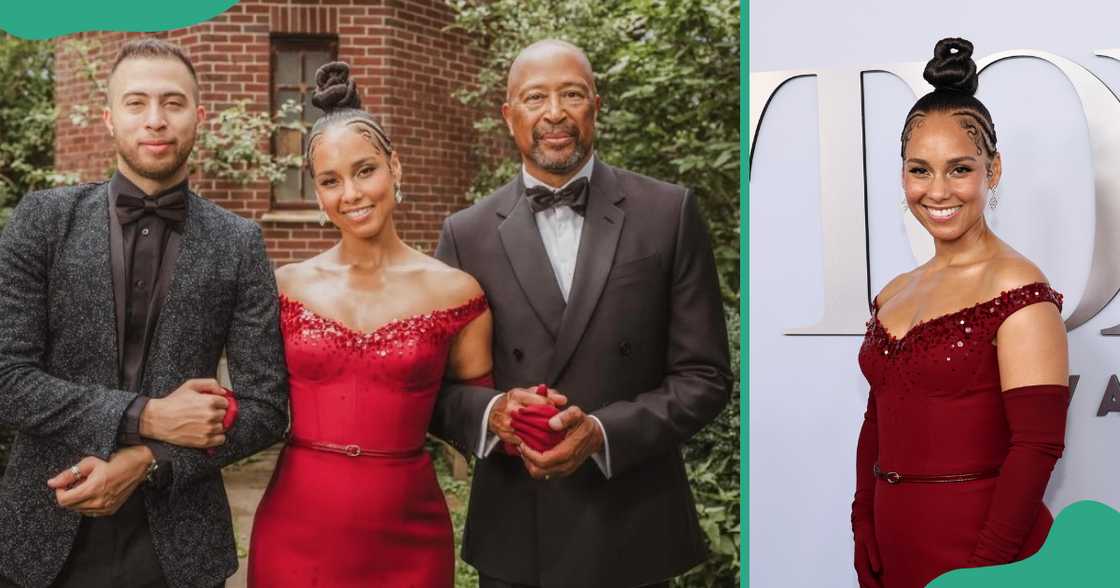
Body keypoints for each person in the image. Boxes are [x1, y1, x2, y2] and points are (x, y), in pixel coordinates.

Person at [433, 39, 732, 588]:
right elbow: (431, 388)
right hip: (517, 534)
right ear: (508, 115)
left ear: (597, 105)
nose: (554, 113)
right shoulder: (465, 234)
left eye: (571, 94)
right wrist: (494, 412)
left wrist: (601, 432)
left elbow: (705, 376)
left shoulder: (668, 212)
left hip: (634, 526)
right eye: (535, 97)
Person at [247, 62, 552, 588]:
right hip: (296, 531)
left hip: (410, 537)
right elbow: (255, 401)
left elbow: (470, 413)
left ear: (395, 167)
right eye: (330, 181)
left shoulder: (458, 293)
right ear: (318, 194)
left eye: (365, 170)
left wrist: (521, 419)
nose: (351, 193)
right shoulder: (284, 287)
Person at [0, 38, 289, 588]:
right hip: (40, 533)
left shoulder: (239, 242)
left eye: (172, 102)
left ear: (199, 116)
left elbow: (266, 408)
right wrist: (145, 416)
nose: (155, 119)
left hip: (181, 546)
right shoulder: (42, 219)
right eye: (136, 103)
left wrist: (147, 460)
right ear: (110, 118)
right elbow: (7, 376)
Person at [851, 38, 1070, 588]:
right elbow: (877, 418)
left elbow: (1037, 446)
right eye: (920, 170)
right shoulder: (895, 292)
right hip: (894, 544)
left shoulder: (1019, 288)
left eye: (959, 169)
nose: (937, 191)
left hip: (981, 553)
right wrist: (863, 522)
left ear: (993, 171)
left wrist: (986, 572)